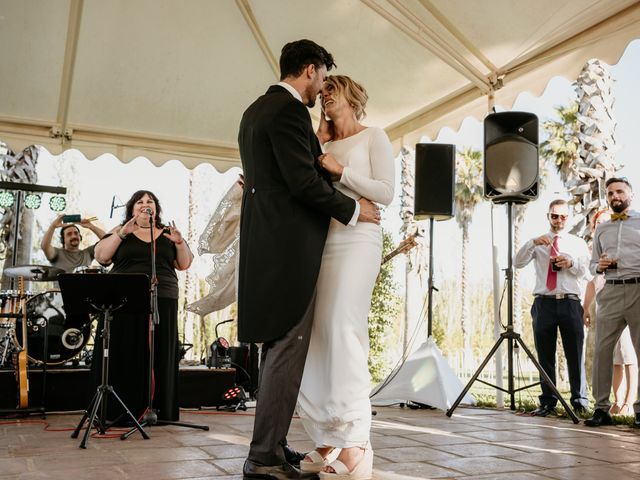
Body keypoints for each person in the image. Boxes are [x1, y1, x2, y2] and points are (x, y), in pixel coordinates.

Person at [237, 40, 380, 480]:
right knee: (287, 347)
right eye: (321, 77)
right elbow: (301, 183)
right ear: (311, 70)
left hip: (266, 247)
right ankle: (263, 457)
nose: (322, 87)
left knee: (279, 347)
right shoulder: (288, 111)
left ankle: (274, 448)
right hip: (288, 253)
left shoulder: (254, 111)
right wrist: (355, 210)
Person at [295, 75, 394, 480]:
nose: (325, 96)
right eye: (322, 93)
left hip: (359, 239)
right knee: (320, 336)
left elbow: (385, 192)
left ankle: (356, 445)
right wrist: (320, 145)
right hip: (324, 241)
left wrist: (341, 171)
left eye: (332, 89)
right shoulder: (322, 147)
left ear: (351, 96)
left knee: (344, 328)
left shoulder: (375, 137)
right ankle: (325, 437)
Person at [93, 190, 193, 423]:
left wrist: (179, 243)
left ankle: (157, 409)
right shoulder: (120, 232)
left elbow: (184, 263)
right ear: (131, 209)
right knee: (126, 351)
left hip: (164, 297)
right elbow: (102, 257)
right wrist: (121, 233)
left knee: (159, 353)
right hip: (124, 298)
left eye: (150, 201)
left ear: (156, 209)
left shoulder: (169, 233)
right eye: (140, 201)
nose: (146, 204)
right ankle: (122, 410)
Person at [514, 199, 591, 416]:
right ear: (548, 216)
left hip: (570, 301)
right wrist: (531, 243)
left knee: (575, 353)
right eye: (554, 216)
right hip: (544, 302)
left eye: (563, 216)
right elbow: (517, 263)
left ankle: (579, 400)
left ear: (569, 217)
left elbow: (588, 272)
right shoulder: (539, 241)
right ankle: (548, 401)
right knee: (545, 354)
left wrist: (571, 263)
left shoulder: (577, 243)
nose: (558, 220)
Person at [585, 178, 640, 428]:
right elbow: (592, 263)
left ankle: (639, 410)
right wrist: (599, 266)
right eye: (610, 193)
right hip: (610, 291)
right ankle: (601, 409)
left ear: (631, 194)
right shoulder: (602, 229)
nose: (614, 196)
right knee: (602, 351)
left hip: (638, 289)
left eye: (619, 191)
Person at [40, 214, 105, 272]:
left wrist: (91, 226)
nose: (74, 236)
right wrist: (52, 226)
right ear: (63, 239)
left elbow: (107, 240)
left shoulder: (88, 253)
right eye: (69, 234)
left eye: (76, 233)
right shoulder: (57, 253)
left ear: (80, 237)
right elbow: (44, 246)